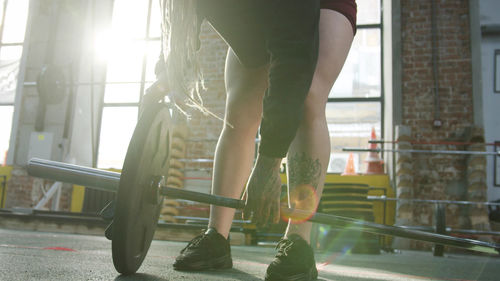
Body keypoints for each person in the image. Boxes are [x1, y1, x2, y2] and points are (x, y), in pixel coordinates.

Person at [155, 1, 356, 280]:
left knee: (308, 96)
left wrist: (268, 164)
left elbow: (293, 61)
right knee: (239, 109)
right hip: (259, 11)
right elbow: (181, 26)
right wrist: (162, 78)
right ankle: (216, 237)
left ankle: (298, 241)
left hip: (318, 6)